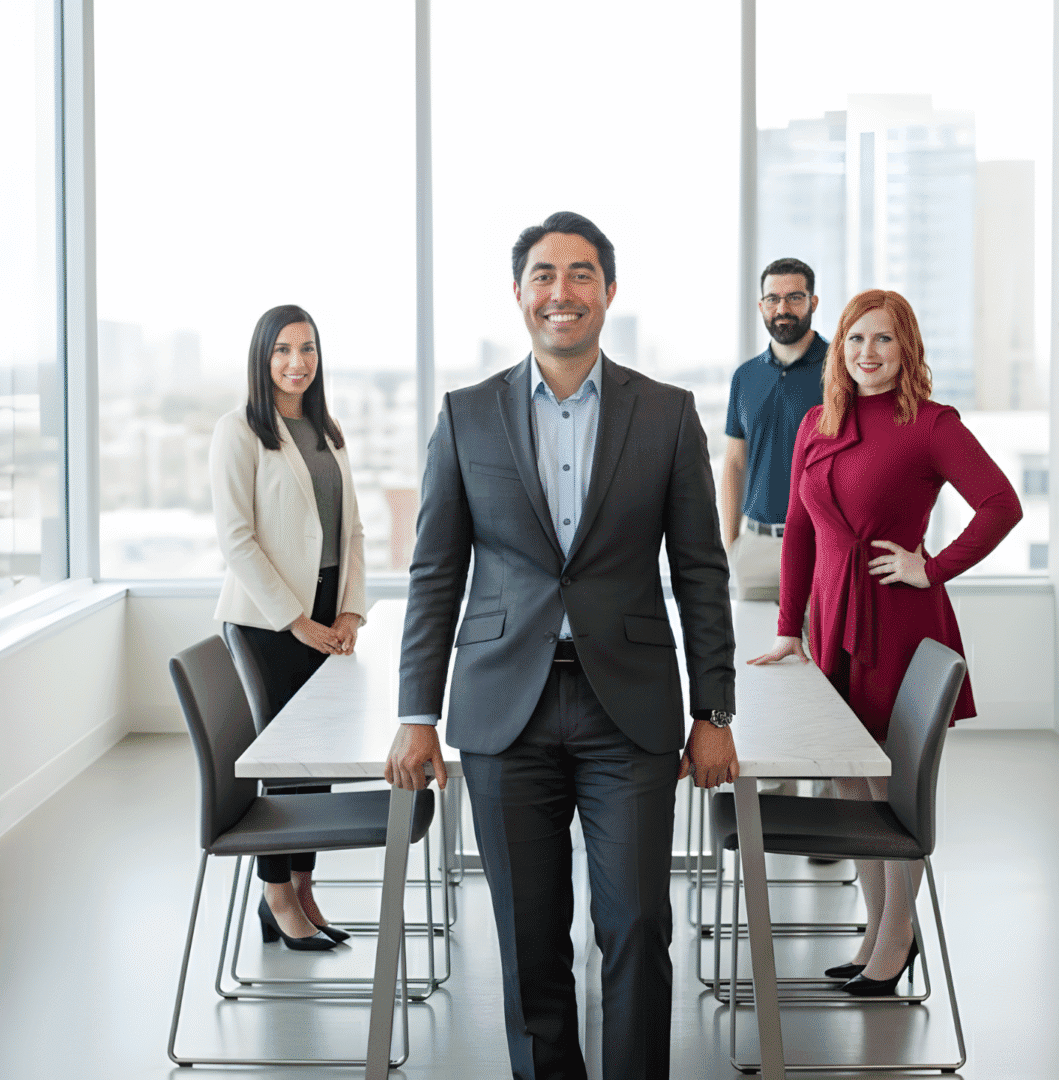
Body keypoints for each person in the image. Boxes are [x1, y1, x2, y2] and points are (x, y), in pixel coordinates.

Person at [385, 211, 737, 1080]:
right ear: (519, 293)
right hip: (506, 712)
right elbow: (435, 573)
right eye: (545, 275)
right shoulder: (466, 418)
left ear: (608, 292)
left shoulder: (666, 414)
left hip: (633, 713)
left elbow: (701, 571)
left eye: (582, 275)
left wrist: (715, 709)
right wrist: (415, 712)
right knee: (530, 941)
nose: (562, 292)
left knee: (636, 929)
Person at [749, 289, 1020, 995]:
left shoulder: (931, 424)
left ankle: (897, 938)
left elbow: (1001, 504)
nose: (867, 353)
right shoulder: (818, 421)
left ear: (908, 351)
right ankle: (880, 929)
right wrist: (788, 627)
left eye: (884, 340)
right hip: (834, 619)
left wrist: (929, 566)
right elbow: (800, 533)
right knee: (849, 784)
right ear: (838, 347)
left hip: (899, 626)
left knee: (894, 795)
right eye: (855, 339)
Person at [210, 303, 369, 951]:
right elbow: (237, 540)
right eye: (282, 351)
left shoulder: (327, 429)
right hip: (267, 620)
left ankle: (303, 888)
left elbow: (350, 530)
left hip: (328, 611)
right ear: (262, 357)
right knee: (284, 765)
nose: (296, 363)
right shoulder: (239, 431)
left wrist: (351, 609)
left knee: (318, 761)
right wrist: (297, 621)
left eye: (307, 349)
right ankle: (275, 897)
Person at [725, 257, 828, 601]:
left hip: (821, 546)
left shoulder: (841, 370)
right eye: (773, 299)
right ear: (761, 305)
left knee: (821, 654)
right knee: (752, 651)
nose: (782, 308)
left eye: (795, 298)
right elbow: (735, 463)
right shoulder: (745, 376)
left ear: (813, 302)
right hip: (755, 547)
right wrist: (731, 545)